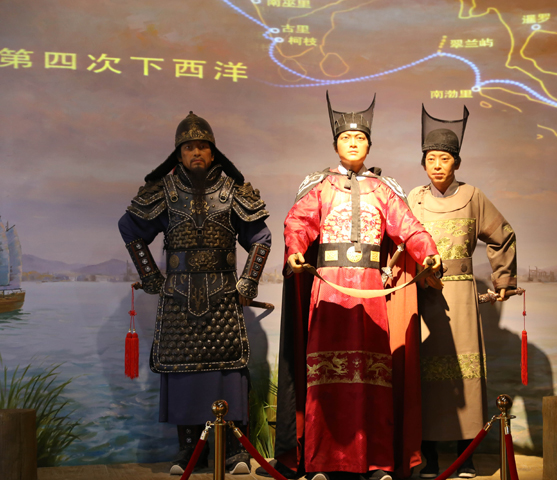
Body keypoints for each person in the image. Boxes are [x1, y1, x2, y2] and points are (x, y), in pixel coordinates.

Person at [272, 92, 442, 480]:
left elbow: (410, 228)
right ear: (336, 144)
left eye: (360, 138)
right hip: (328, 290)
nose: (353, 143)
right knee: (324, 380)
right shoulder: (320, 186)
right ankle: (322, 462)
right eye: (346, 138)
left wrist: (428, 252)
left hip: (370, 292)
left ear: (369, 145)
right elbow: (297, 223)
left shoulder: (384, 190)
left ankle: (376, 462)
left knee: (372, 378)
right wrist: (295, 250)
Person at [118, 112, 272, 475]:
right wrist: (150, 276)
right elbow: (129, 227)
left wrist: (248, 282)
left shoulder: (233, 192)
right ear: (179, 154)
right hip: (179, 299)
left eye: (203, 146)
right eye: (189, 147)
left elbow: (261, 238)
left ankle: (233, 450)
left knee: (228, 370)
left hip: (223, 298)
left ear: (213, 152)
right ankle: (189, 450)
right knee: (182, 372)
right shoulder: (164, 193)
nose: (196, 152)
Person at [407, 106, 517, 478]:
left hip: (461, 299)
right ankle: (428, 455)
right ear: (424, 163)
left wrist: (503, 280)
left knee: (463, 376)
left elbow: (502, 235)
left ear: (456, 162)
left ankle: (465, 455)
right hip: (423, 296)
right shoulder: (413, 198)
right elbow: (399, 242)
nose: (438, 165)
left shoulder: (473, 196)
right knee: (424, 376)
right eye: (431, 159)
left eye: (445, 158)